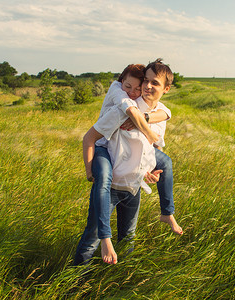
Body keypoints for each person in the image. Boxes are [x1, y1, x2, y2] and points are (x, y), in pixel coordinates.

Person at [74, 60, 181, 266]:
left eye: (153, 83)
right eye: (145, 82)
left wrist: (150, 169)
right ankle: (76, 286)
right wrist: (90, 172)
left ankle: (122, 279)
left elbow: (152, 148)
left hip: (133, 187)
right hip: (112, 185)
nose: (147, 87)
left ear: (166, 89)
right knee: (92, 240)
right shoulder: (120, 110)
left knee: (128, 239)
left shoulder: (160, 115)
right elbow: (91, 137)